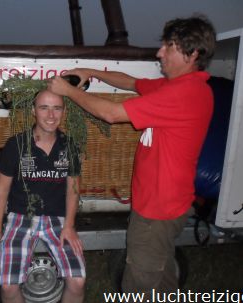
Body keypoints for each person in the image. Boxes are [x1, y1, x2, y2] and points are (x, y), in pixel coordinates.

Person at [47, 15, 216, 298]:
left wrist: (67, 91)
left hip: (157, 211)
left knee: (137, 286)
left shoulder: (186, 93)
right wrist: (93, 72)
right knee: (160, 277)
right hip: (164, 204)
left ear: (193, 53)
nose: (159, 52)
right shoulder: (178, 87)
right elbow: (132, 83)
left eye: (168, 46)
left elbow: (111, 114)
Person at [0, 90, 86, 303]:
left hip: (58, 219)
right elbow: (2, 190)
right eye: (44, 108)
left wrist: (70, 225)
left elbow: (73, 189)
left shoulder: (70, 146)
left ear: (64, 112)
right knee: (8, 286)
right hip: (21, 217)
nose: (51, 115)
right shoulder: (16, 145)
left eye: (57, 108)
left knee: (77, 281)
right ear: (33, 111)